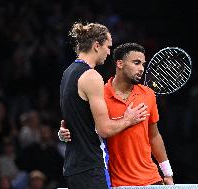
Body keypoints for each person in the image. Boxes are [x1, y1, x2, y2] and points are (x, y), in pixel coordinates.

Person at [59, 43, 174, 186]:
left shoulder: (148, 94)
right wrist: (65, 132)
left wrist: (168, 173)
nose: (141, 69)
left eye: (143, 64)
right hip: (115, 181)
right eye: (136, 63)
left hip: (151, 179)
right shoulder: (99, 94)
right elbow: (84, 125)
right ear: (120, 63)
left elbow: (154, 135)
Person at [59, 23, 148, 189]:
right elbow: (104, 129)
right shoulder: (92, 76)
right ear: (96, 46)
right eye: (108, 47)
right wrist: (129, 119)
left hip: (73, 167)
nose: (109, 52)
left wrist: (62, 133)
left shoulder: (68, 72)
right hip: (91, 167)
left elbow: (72, 121)